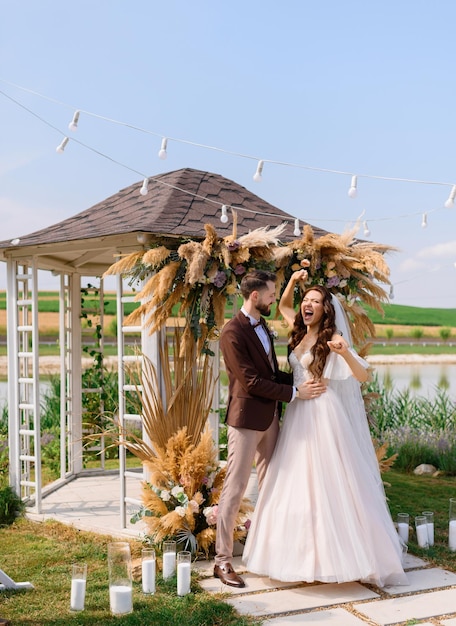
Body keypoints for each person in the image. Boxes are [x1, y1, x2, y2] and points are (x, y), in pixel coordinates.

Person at [242, 270, 408, 588]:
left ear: (326, 310)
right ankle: (298, 555)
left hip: (322, 413)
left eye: (316, 301)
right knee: (294, 482)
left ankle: (344, 558)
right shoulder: (298, 329)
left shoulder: (331, 340)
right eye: (306, 300)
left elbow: (362, 376)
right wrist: (292, 280)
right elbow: (283, 306)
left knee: (331, 484)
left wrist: (345, 352)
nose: (308, 304)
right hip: (298, 411)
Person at [214, 269, 326, 588]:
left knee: (273, 486)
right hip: (246, 421)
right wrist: (295, 394)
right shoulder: (231, 333)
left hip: (271, 419)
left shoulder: (263, 326)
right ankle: (222, 561)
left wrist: (302, 382)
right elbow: (250, 381)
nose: (273, 299)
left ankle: (269, 550)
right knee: (234, 489)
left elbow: (272, 374)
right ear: (255, 296)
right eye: (270, 294)